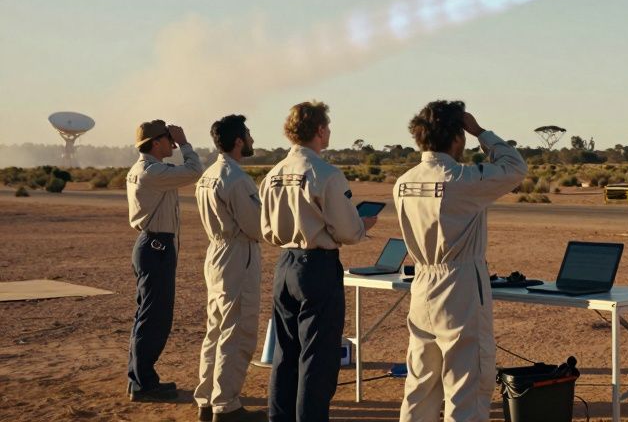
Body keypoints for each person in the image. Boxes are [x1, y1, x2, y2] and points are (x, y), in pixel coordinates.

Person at [393, 101, 527, 422]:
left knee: (420, 385)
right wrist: (481, 132)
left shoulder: (403, 183)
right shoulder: (461, 179)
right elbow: (515, 167)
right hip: (460, 288)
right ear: (457, 137)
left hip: (422, 286)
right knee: (467, 384)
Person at [260, 101, 375, 422]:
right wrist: (362, 226)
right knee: (317, 357)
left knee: (285, 353)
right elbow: (347, 230)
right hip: (318, 266)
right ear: (321, 130)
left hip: (285, 264)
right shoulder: (325, 173)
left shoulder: (274, 173)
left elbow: (267, 229)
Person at [126, 119, 204, 402]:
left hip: (151, 245)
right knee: (154, 317)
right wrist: (185, 143)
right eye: (167, 140)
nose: (171, 145)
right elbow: (195, 170)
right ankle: (144, 383)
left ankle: (140, 378)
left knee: (147, 315)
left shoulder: (146, 169)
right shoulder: (152, 172)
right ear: (155, 143)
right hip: (156, 247)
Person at [194, 114, 265, 422]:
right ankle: (227, 406)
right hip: (237, 254)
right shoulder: (235, 178)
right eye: (247, 134)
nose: (251, 139)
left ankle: (207, 400)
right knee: (237, 332)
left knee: (216, 331)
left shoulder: (209, 174)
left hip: (217, 253)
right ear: (238, 140)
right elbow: (256, 225)